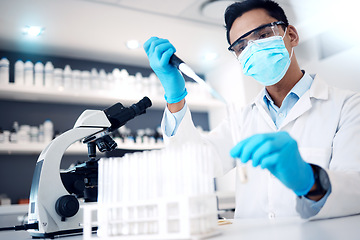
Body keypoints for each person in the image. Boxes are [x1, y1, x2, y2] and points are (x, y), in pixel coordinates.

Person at [143, 0, 360, 219]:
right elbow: (196, 164)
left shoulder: (348, 107)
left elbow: (356, 192)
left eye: (263, 35)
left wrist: (309, 178)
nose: (253, 49)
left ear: (291, 35)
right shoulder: (241, 119)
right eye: (241, 46)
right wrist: (175, 97)